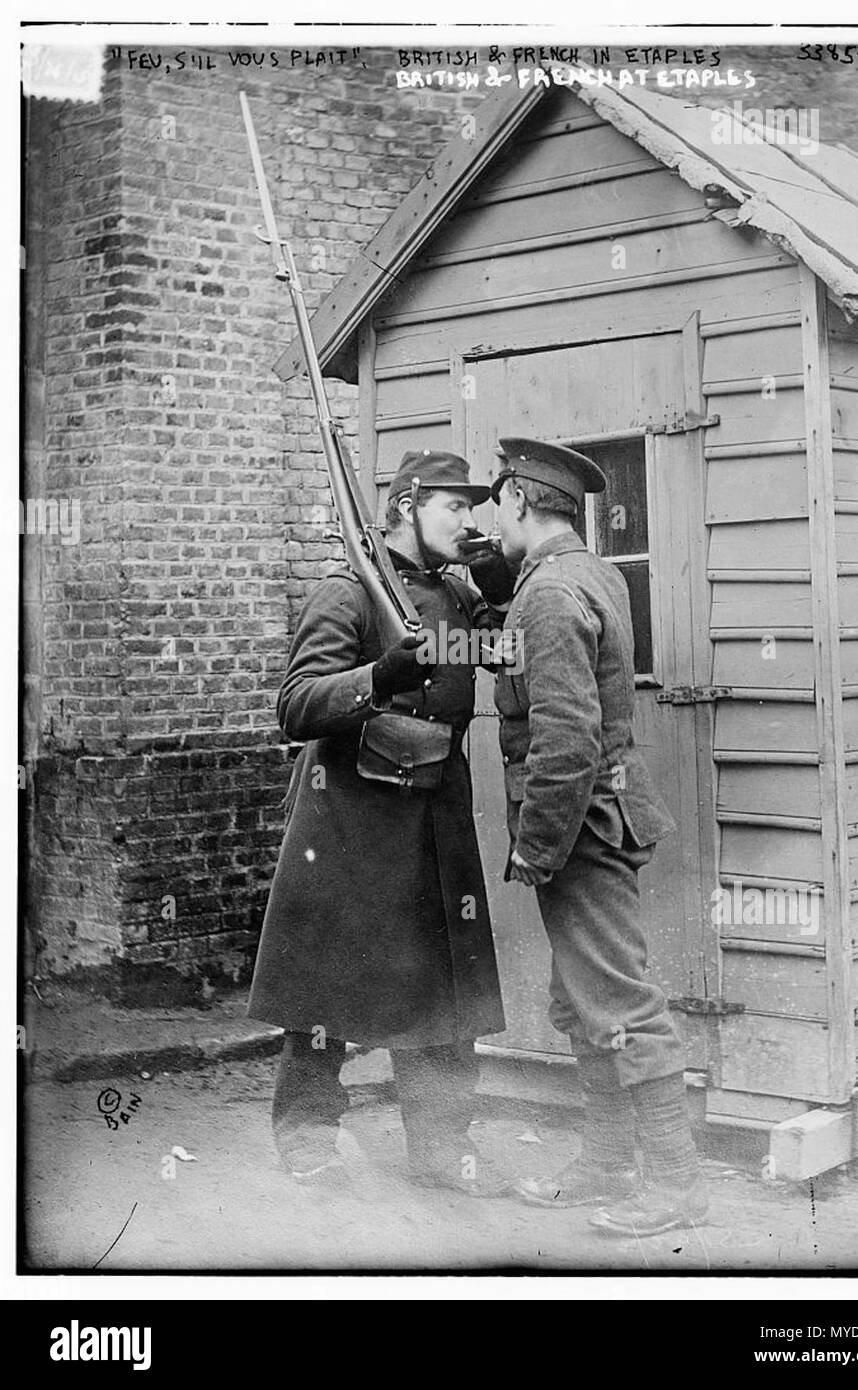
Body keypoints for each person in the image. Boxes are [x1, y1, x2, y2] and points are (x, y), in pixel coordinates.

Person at [248, 449, 517, 1196]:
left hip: (434, 806)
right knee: (326, 982)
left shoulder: (455, 598)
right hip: (352, 816)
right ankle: (307, 1137)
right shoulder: (348, 594)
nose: (469, 521)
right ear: (406, 507)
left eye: (473, 508)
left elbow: (507, 651)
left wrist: (499, 587)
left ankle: (440, 1147)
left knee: (444, 987)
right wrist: (379, 676)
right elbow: (295, 707)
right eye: (454, 507)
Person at [490, 436, 708, 1236]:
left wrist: (534, 845)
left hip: (579, 824)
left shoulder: (547, 596)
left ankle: (676, 1184)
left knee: (618, 999)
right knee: (580, 998)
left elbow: (567, 738)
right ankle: (607, 1164)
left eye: (497, 501)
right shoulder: (593, 572)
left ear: (517, 499)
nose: (490, 516)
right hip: (604, 814)